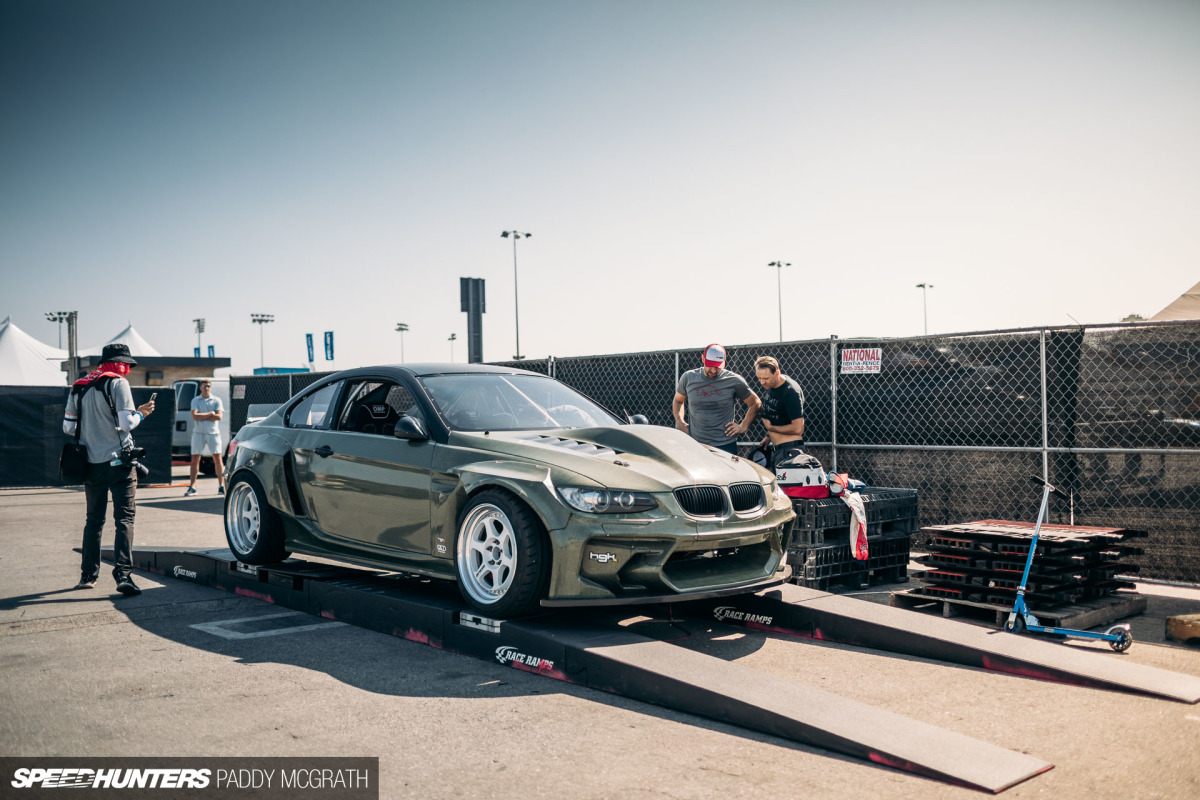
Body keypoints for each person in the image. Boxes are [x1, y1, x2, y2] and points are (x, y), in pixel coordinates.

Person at [63, 343, 156, 595]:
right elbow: (126, 424)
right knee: (124, 519)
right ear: (120, 362)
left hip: (90, 465)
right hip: (120, 464)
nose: (127, 369)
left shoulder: (79, 386)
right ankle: (123, 576)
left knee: (93, 521)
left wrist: (93, 432)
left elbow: (68, 428)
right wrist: (142, 413)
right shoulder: (118, 383)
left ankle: (87, 576)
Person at [673, 343, 760, 454]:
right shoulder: (688, 377)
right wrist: (679, 421)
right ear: (703, 359)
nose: (713, 370)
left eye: (717, 366)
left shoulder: (733, 380)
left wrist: (743, 426)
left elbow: (755, 403)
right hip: (696, 444)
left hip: (725, 445)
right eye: (710, 365)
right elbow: (678, 400)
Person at [754, 355, 806, 471]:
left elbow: (798, 429)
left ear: (777, 373)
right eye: (759, 378)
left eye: (766, 378)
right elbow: (779, 415)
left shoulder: (790, 392)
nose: (762, 382)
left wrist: (771, 428)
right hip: (777, 450)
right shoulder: (772, 386)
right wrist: (769, 436)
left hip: (789, 451)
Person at [185, 379, 225, 496]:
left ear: (210, 388)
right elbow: (195, 416)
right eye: (204, 386)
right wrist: (210, 413)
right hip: (198, 433)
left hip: (213, 433)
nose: (206, 388)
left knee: (218, 459)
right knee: (195, 460)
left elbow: (219, 417)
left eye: (208, 386)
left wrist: (207, 415)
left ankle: (221, 485)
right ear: (200, 388)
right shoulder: (195, 400)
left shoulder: (217, 400)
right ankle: (192, 486)